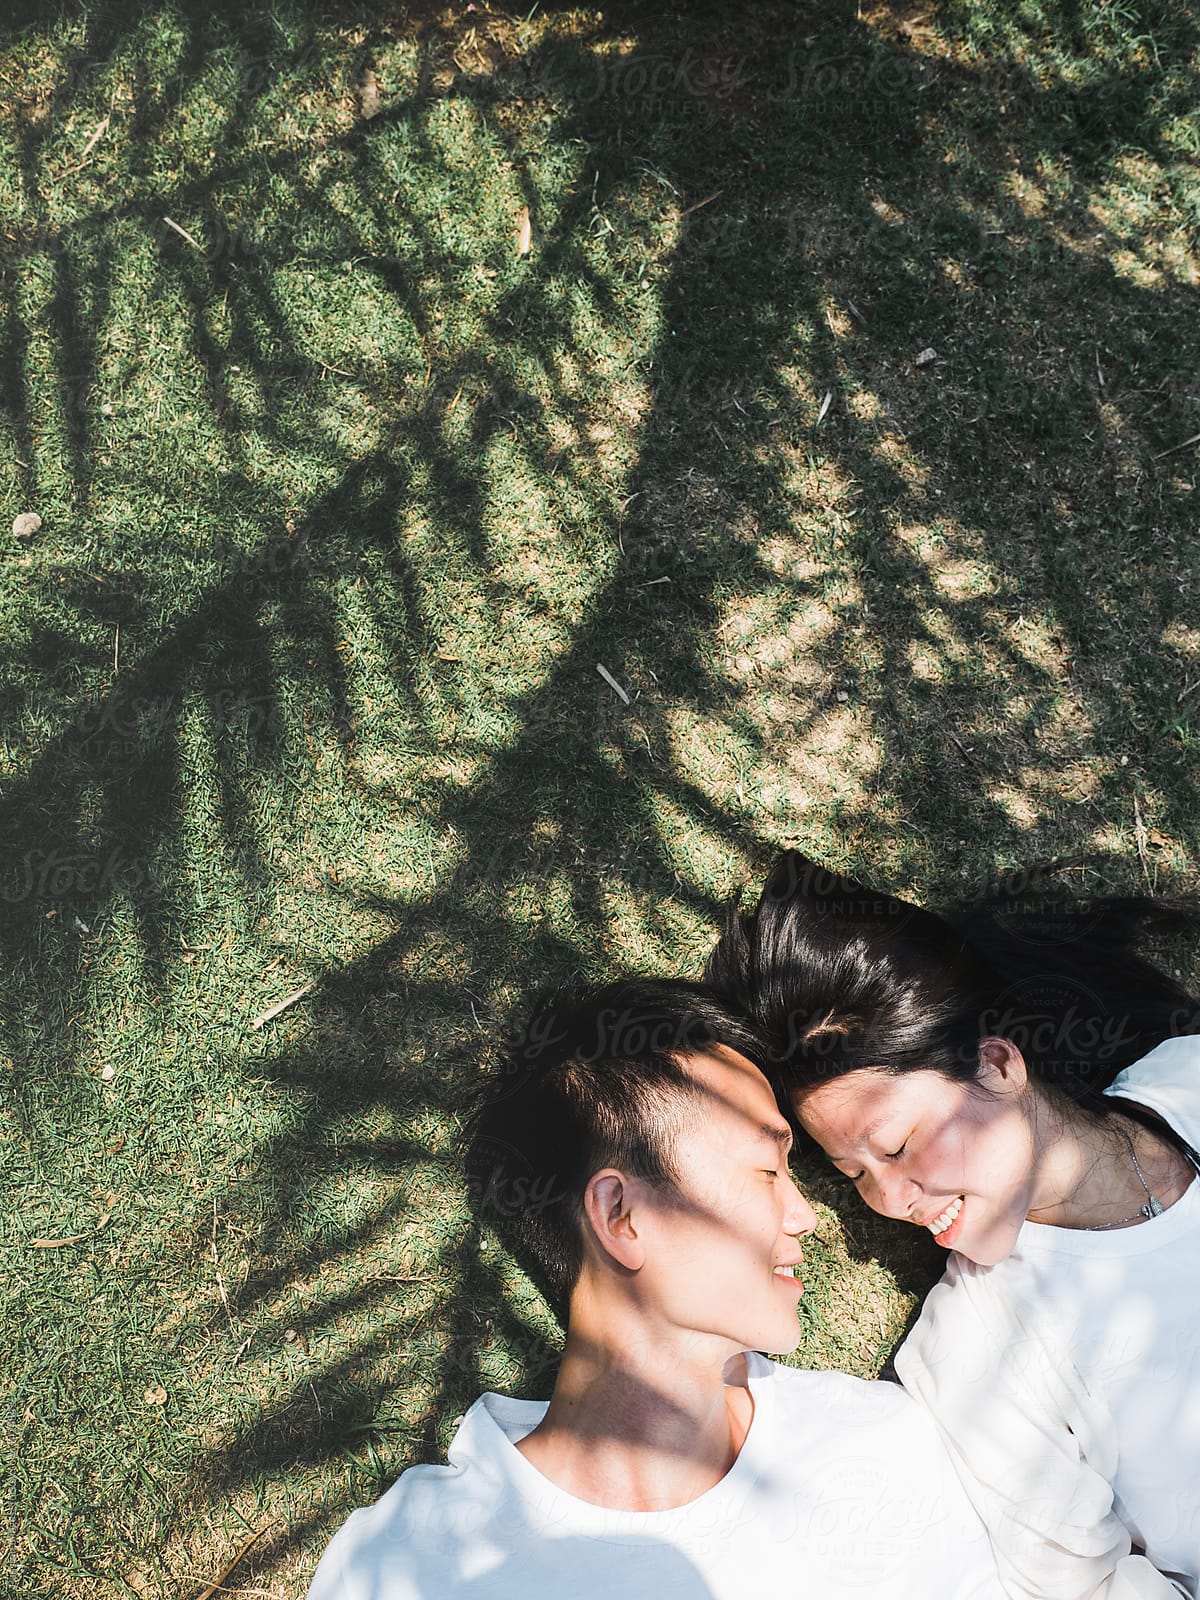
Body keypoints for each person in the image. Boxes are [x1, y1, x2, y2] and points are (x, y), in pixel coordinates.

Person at [305, 978, 1005, 1600]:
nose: (806, 1215)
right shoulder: (415, 1568)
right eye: (768, 1172)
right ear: (622, 1216)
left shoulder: (882, 1448)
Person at [706, 850, 1200, 1600]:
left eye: (900, 1145)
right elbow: (1085, 1587)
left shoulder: (1190, 1077)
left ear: (998, 1065)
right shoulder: (977, 1354)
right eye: (857, 1174)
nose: (894, 1195)